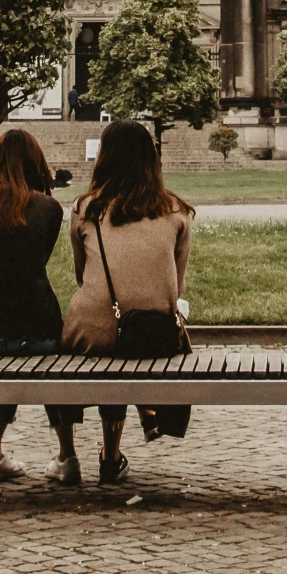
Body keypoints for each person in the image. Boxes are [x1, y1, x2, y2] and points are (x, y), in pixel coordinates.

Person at [57, 120, 195, 486]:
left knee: (104, 342)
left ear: (104, 159)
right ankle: (119, 447)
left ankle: (89, 453)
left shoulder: (85, 209)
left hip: (93, 330)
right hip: (153, 333)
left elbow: (81, 274)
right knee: (126, 346)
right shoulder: (177, 212)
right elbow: (175, 287)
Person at [0, 129, 75, 486]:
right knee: (53, 362)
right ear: (36, 162)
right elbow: (36, 261)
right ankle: (68, 456)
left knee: (4, 359)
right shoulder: (48, 209)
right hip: (37, 331)